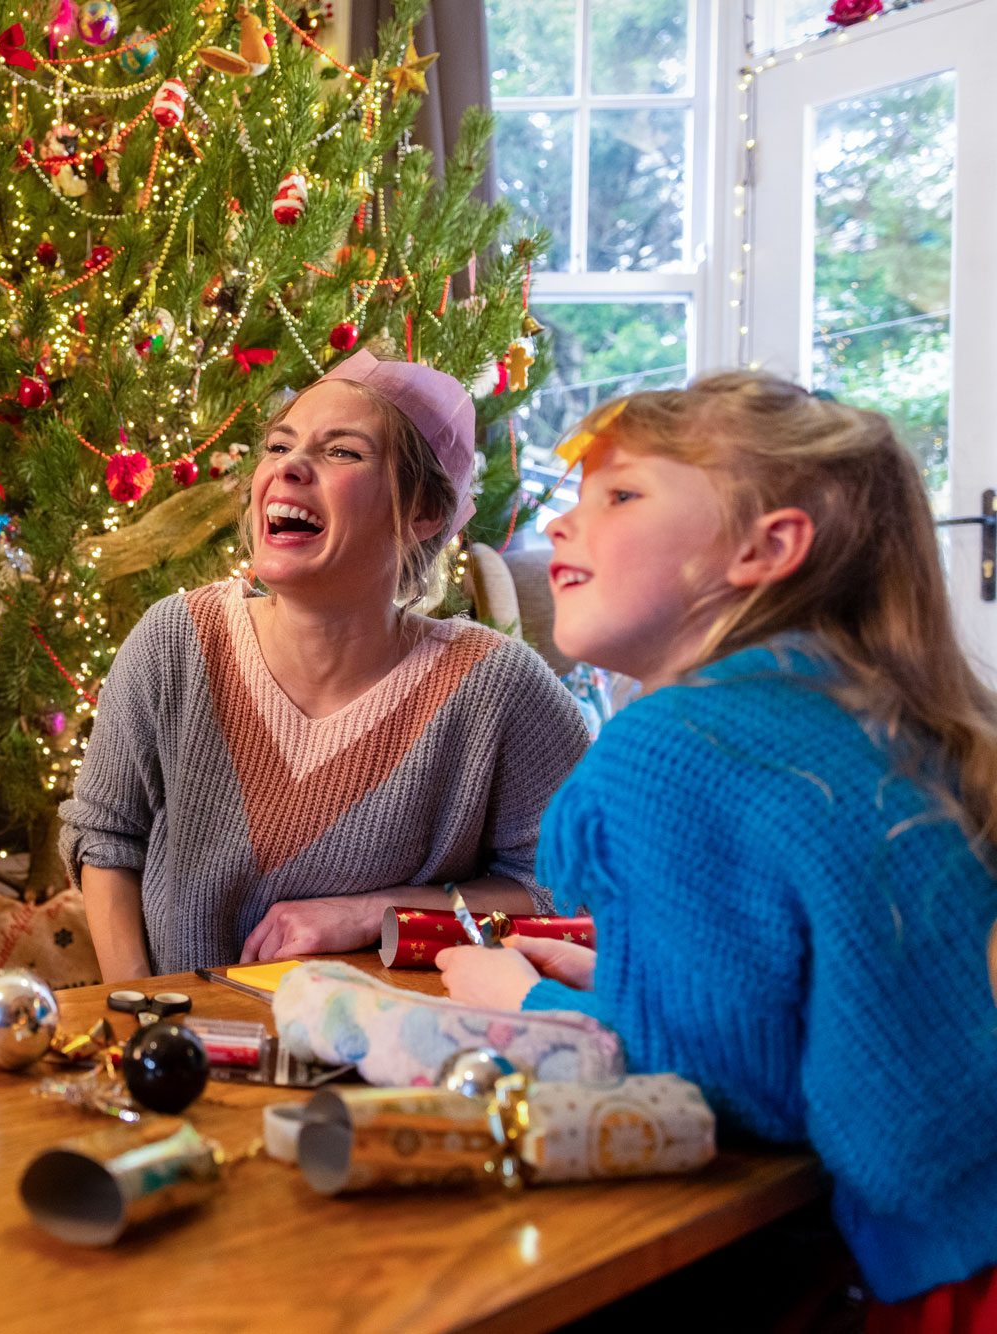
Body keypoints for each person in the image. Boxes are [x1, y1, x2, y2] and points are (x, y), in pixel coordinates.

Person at [436, 374, 997, 1323]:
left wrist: (522, 1005)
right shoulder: (871, 713)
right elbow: (834, 987)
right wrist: (628, 977)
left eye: (620, 495)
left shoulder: (673, 745)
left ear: (764, 547)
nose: (566, 527)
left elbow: (731, 1089)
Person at [62, 351, 591, 982]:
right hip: (185, 1053)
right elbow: (106, 844)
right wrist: (142, 1010)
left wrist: (375, 912)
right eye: (278, 444)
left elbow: (569, 892)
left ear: (423, 512)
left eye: (342, 452)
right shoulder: (174, 642)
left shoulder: (496, 687)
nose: (287, 465)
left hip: (395, 1063)